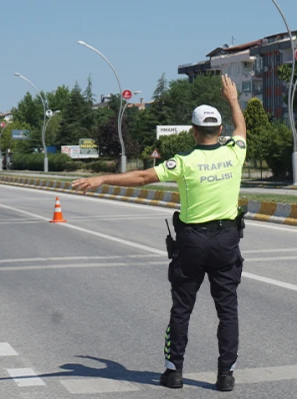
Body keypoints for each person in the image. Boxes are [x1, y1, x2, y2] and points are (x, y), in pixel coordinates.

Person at [72, 74, 247, 392]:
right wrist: (233, 99)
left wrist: (102, 179)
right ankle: (225, 376)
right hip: (226, 241)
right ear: (219, 131)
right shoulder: (235, 153)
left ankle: (174, 371)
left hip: (192, 242)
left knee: (182, 308)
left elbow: (140, 177)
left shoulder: (183, 162)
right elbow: (242, 129)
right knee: (228, 310)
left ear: (193, 131)